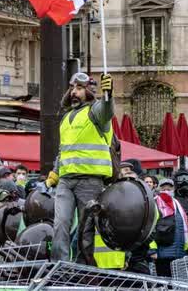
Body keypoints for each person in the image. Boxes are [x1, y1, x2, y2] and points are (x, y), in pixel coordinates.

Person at [49, 72, 114, 263]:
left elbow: (107, 110)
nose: (73, 92)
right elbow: (63, 150)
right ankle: (59, 265)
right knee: (60, 223)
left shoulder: (96, 112)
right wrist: (55, 172)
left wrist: (109, 94)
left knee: (86, 228)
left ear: (88, 91)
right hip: (66, 180)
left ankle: (82, 266)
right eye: (72, 88)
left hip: (89, 180)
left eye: (79, 88)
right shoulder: (66, 117)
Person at [151, 178, 188, 277]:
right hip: (162, 253)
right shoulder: (155, 203)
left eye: (169, 189)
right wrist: (152, 250)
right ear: (159, 189)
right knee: (164, 281)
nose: (166, 191)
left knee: (176, 281)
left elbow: (182, 226)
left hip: (178, 252)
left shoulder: (177, 204)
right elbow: (151, 228)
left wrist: (187, 248)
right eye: (163, 189)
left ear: (173, 189)